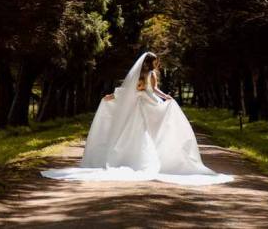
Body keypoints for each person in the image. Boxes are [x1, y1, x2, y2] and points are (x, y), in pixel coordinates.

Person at [41, 52, 234, 185]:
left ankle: (129, 158)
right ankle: (150, 160)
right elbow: (154, 90)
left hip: (136, 105)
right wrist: (166, 97)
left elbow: (127, 92)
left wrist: (111, 97)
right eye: (156, 61)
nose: (157, 64)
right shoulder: (152, 74)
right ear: (152, 63)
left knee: (134, 133)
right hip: (148, 104)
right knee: (152, 132)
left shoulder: (139, 75)